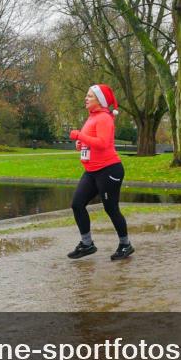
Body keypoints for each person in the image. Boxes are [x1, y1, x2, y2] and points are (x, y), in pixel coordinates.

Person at [68, 84, 134, 261]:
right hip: (91, 171)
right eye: (86, 95)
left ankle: (125, 245)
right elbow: (92, 141)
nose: (86, 98)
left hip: (109, 169)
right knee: (77, 204)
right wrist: (81, 144)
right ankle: (87, 244)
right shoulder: (91, 117)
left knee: (111, 208)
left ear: (100, 100)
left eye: (90, 96)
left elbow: (103, 143)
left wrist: (79, 136)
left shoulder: (104, 118)